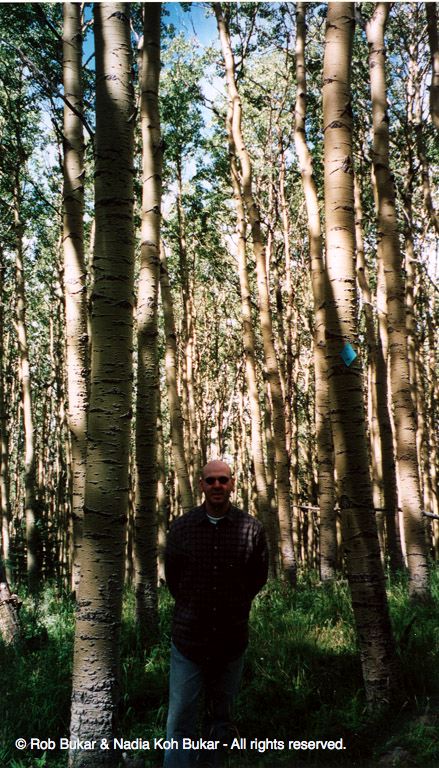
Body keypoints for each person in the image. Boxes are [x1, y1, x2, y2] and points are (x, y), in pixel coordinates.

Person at [164, 460, 269, 768]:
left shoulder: (251, 529)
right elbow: (174, 580)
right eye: (210, 481)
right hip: (189, 641)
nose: (217, 486)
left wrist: (233, 607)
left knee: (220, 719)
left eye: (223, 480)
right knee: (181, 719)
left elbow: (257, 578)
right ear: (201, 485)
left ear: (232, 484)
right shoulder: (181, 529)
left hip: (230, 640)